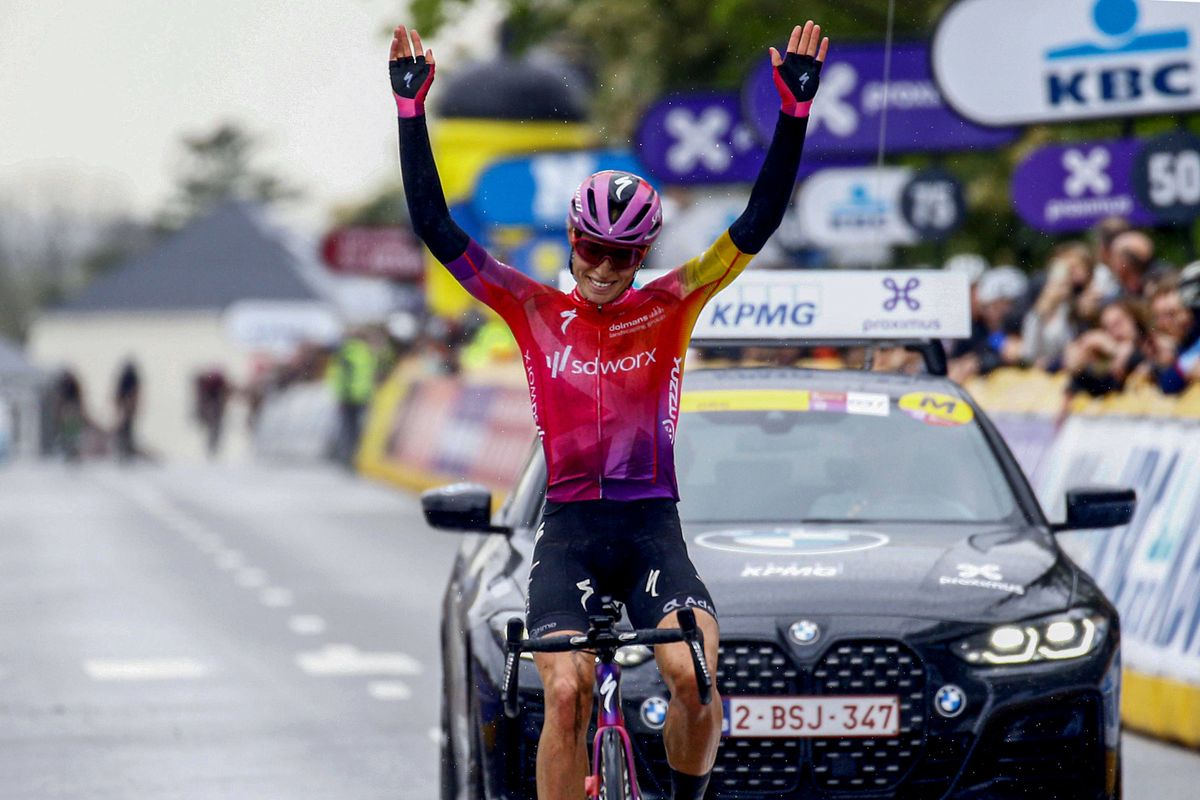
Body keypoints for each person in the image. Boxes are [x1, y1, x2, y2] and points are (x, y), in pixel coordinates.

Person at [389, 20, 827, 800]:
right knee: (565, 693)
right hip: (571, 533)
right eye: (591, 248)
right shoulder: (528, 305)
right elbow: (435, 226)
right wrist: (411, 112)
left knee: (693, 677)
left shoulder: (674, 301)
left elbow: (755, 224)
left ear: (643, 255)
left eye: (621, 256)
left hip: (651, 525)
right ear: (573, 237)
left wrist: (792, 115)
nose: (601, 267)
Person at [113, 359, 141, 462]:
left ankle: (127, 451)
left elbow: (133, 394)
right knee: (124, 430)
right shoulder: (128, 378)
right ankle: (124, 451)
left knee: (127, 430)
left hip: (127, 408)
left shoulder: (129, 378)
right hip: (125, 407)